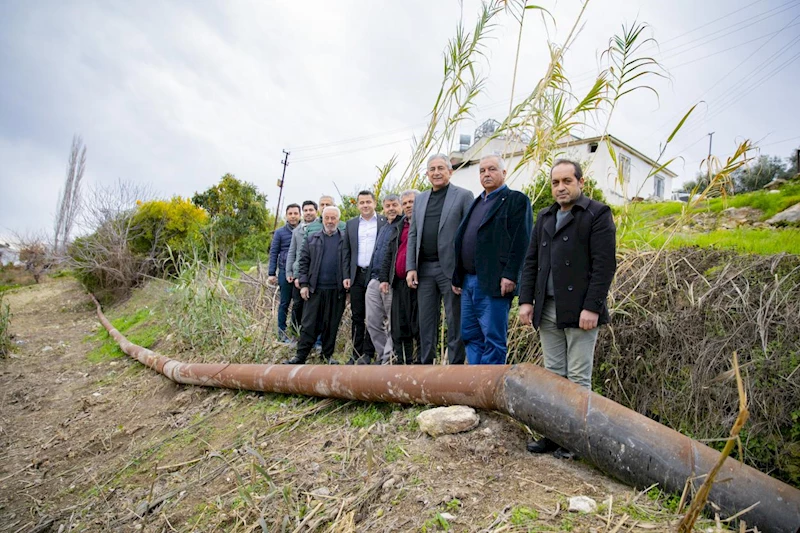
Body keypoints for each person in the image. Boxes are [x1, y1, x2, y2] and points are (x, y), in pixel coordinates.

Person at [518, 159, 617, 458]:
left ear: (580, 182)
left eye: (567, 181)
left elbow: (604, 265)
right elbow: (531, 261)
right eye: (555, 182)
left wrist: (592, 307)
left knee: (578, 377)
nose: (560, 187)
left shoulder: (597, 214)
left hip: (580, 310)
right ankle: (552, 434)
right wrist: (525, 301)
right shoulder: (545, 216)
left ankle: (575, 440)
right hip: (547, 308)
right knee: (553, 375)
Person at [452, 155, 532, 364]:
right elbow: (464, 239)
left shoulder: (516, 200)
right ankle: (475, 386)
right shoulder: (477, 202)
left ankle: (489, 391)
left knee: (493, 338)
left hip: (494, 281)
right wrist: (457, 276)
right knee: (470, 336)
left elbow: (521, 241)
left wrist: (510, 275)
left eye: (492, 169)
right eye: (482, 170)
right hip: (469, 281)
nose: (486, 174)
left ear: (504, 173)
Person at [406, 154, 474, 365]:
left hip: (451, 270)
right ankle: (426, 366)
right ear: (427, 174)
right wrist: (411, 267)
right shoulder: (421, 199)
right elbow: (413, 235)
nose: (436, 172)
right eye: (432, 169)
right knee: (425, 321)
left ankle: (454, 368)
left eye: (441, 168)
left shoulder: (463, 196)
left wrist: (462, 271)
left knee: (455, 321)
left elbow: (469, 234)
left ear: (450, 171)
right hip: (424, 269)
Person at [284, 206, 347, 365]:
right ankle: (300, 357)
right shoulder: (312, 238)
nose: (330, 221)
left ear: (338, 220)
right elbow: (303, 262)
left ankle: (327, 357)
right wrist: (304, 284)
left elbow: (349, 263)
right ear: (322, 219)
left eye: (333, 218)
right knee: (309, 324)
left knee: (331, 325)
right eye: (327, 218)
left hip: (337, 291)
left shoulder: (345, 240)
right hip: (315, 290)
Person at [343, 191, 387, 364]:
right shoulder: (351, 224)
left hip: (375, 275)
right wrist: (347, 275)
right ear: (358, 205)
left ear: (375, 203)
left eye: (368, 201)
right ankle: (355, 352)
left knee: (373, 316)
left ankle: (369, 353)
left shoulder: (383, 222)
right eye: (362, 202)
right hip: (356, 275)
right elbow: (346, 252)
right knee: (357, 315)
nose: (365, 205)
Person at [380, 190, 419, 364]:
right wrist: (384, 278)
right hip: (399, 281)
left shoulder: (423, 224)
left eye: (412, 202)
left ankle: (421, 363)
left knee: (416, 323)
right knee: (399, 323)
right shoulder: (399, 226)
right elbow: (389, 253)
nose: (408, 205)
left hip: (419, 281)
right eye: (405, 203)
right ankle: (403, 361)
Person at [365, 194, 403, 364]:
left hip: (390, 281)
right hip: (374, 279)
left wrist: (386, 278)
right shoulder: (383, 227)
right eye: (388, 206)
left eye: (394, 205)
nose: (391, 209)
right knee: (372, 321)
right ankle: (383, 356)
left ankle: (390, 358)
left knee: (392, 322)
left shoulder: (402, 226)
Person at [268, 203, 301, 343]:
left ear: (300, 215)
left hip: (300, 273)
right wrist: (271, 273)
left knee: (298, 304)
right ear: (286, 215)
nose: (293, 216)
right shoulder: (280, 232)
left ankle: (296, 332)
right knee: (284, 303)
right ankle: (281, 333)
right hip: (284, 272)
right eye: (290, 213)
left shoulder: (304, 230)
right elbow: (274, 252)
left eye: (295, 213)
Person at [285, 200, 318, 336]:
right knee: (297, 305)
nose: (308, 213)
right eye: (306, 210)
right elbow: (292, 252)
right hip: (299, 273)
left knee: (312, 308)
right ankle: (295, 334)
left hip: (314, 273)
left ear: (316, 212)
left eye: (311, 210)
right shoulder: (297, 231)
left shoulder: (320, 227)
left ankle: (311, 336)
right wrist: (289, 272)